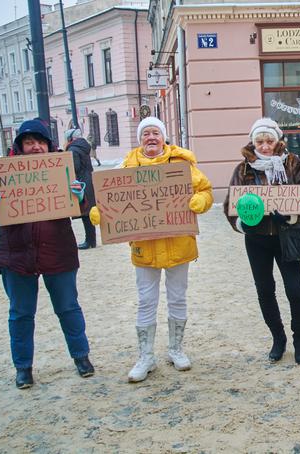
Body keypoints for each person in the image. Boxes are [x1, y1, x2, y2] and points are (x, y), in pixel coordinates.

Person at [89, 117, 213, 382]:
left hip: (179, 243)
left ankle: (176, 349)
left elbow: (205, 190)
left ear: (164, 136)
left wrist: (200, 200)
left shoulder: (182, 165)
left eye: (156, 132)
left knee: (177, 297)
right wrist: (101, 213)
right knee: (146, 300)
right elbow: (111, 198)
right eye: (146, 133)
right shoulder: (126, 166)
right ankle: (146, 356)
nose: (151, 137)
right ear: (140, 139)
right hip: (144, 246)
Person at [0, 119, 95, 389]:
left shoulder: (60, 169)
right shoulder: (5, 172)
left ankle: (81, 357)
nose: (36, 147)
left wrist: (79, 197)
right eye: (29, 142)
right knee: (20, 313)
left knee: (68, 307)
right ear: (20, 146)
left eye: (40, 142)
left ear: (48, 145)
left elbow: (80, 207)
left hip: (58, 252)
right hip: (17, 256)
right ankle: (23, 368)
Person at [223, 118, 300, 365]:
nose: (265, 146)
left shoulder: (292, 163)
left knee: (295, 290)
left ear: (278, 141)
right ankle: (278, 337)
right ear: (253, 142)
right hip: (257, 239)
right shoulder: (243, 169)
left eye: (269, 141)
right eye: (259, 141)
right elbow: (230, 205)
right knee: (265, 290)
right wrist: (244, 222)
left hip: (288, 235)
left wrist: (292, 212)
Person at [65, 128, 97, 249]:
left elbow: (75, 168)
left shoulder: (73, 150)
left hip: (81, 182)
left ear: (70, 139)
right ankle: (91, 240)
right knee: (88, 213)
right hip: (89, 180)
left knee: (85, 213)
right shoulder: (84, 147)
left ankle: (89, 241)